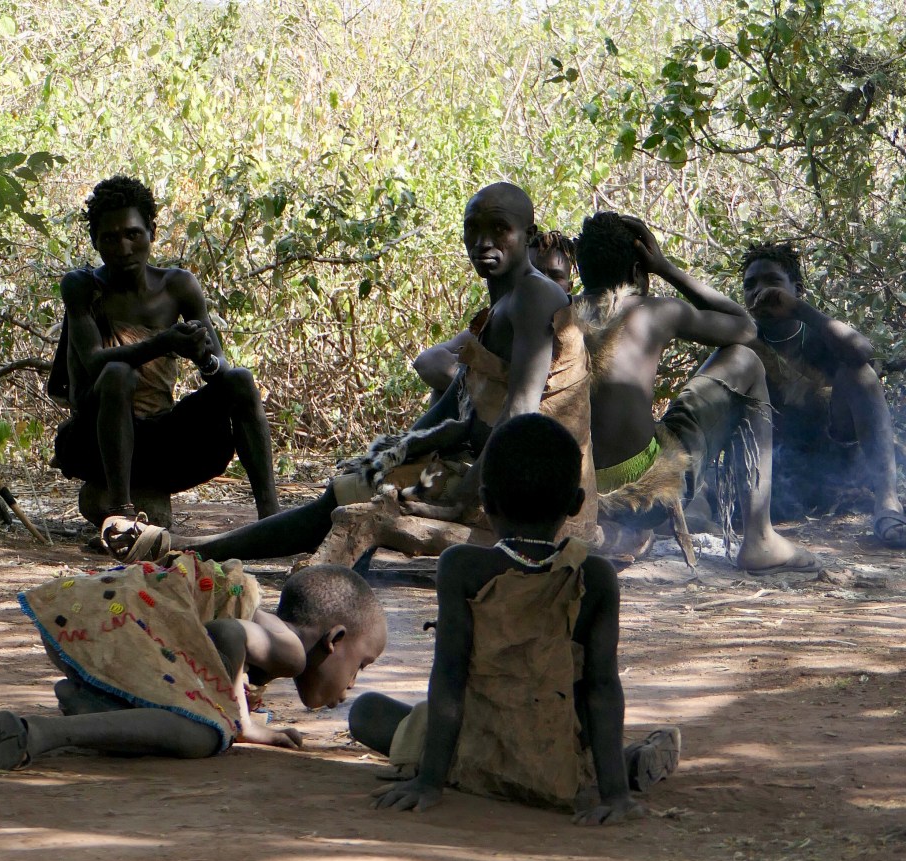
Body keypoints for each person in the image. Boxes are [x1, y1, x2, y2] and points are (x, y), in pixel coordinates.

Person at [103, 183, 598, 564]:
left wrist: (462, 500)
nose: (483, 241)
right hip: (495, 470)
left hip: (529, 490)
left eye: (499, 229)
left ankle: (189, 552)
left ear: (528, 235)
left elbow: (521, 414)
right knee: (352, 486)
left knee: (347, 504)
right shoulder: (501, 305)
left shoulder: (535, 295)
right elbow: (462, 403)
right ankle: (190, 550)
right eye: (473, 229)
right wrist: (392, 453)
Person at [350, 414, 669, 822]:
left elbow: (449, 676)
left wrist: (428, 782)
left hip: (476, 748)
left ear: (486, 501)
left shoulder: (461, 567)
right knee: (587, 730)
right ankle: (622, 767)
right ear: (576, 503)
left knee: (367, 712)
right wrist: (616, 797)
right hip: (559, 759)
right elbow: (602, 687)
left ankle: (458, 773)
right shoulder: (596, 576)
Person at [573, 211, 820, 574]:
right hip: (647, 497)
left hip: (576, 496)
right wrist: (667, 269)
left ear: (580, 268)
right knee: (746, 361)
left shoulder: (556, 315)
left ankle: (612, 530)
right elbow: (745, 328)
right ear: (639, 271)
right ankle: (761, 540)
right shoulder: (655, 311)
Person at [0, 563, 386, 769]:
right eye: (361, 666)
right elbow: (228, 633)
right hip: (113, 625)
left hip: (84, 620)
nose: (353, 683)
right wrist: (242, 723)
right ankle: (37, 733)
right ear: (334, 640)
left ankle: (93, 702)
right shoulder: (291, 651)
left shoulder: (268, 635)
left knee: (188, 712)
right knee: (206, 733)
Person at [50, 174, 280, 531]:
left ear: (152, 232)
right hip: (93, 443)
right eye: (109, 238)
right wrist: (162, 343)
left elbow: (218, 368)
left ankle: (271, 518)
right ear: (95, 242)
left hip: (163, 444)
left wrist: (202, 355)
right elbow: (94, 361)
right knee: (116, 373)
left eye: (133, 234)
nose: (123, 247)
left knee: (240, 380)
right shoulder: (81, 286)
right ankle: (122, 515)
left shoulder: (178, 286)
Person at [741, 242, 905, 547]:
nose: (761, 291)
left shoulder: (821, 336)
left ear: (797, 289)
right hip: (779, 478)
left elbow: (862, 352)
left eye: (773, 281)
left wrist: (798, 309)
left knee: (861, 374)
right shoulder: (743, 343)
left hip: (838, 468)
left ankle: (887, 503)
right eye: (750, 285)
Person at [413, 230, 576, 404]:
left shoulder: (578, 332)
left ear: (569, 287)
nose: (543, 283)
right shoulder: (499, 322)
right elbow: (427, 362)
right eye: (537, 274)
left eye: (555, 276)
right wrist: (484, 385)